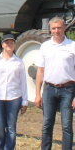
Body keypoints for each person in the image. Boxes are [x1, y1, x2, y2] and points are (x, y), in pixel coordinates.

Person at [35, 16, 75, 150]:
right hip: (49, 89)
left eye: (59, 28)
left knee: (67, 125)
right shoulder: (45, 46)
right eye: (53, 28)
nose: (56, 31)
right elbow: (40, 71)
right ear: (50, 29)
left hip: (68, 90)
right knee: (47, 124)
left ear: (64, 28)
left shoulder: (72, 46)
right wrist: (37, 94)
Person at [0, 34, 28, 150]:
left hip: (14, 98)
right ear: (2, 44)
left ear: (14, 45)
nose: (9, 44)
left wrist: (24, 101)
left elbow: (23, 82)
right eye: (6, 42)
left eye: (11, 42)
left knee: (11, 128)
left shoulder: (19, 62)